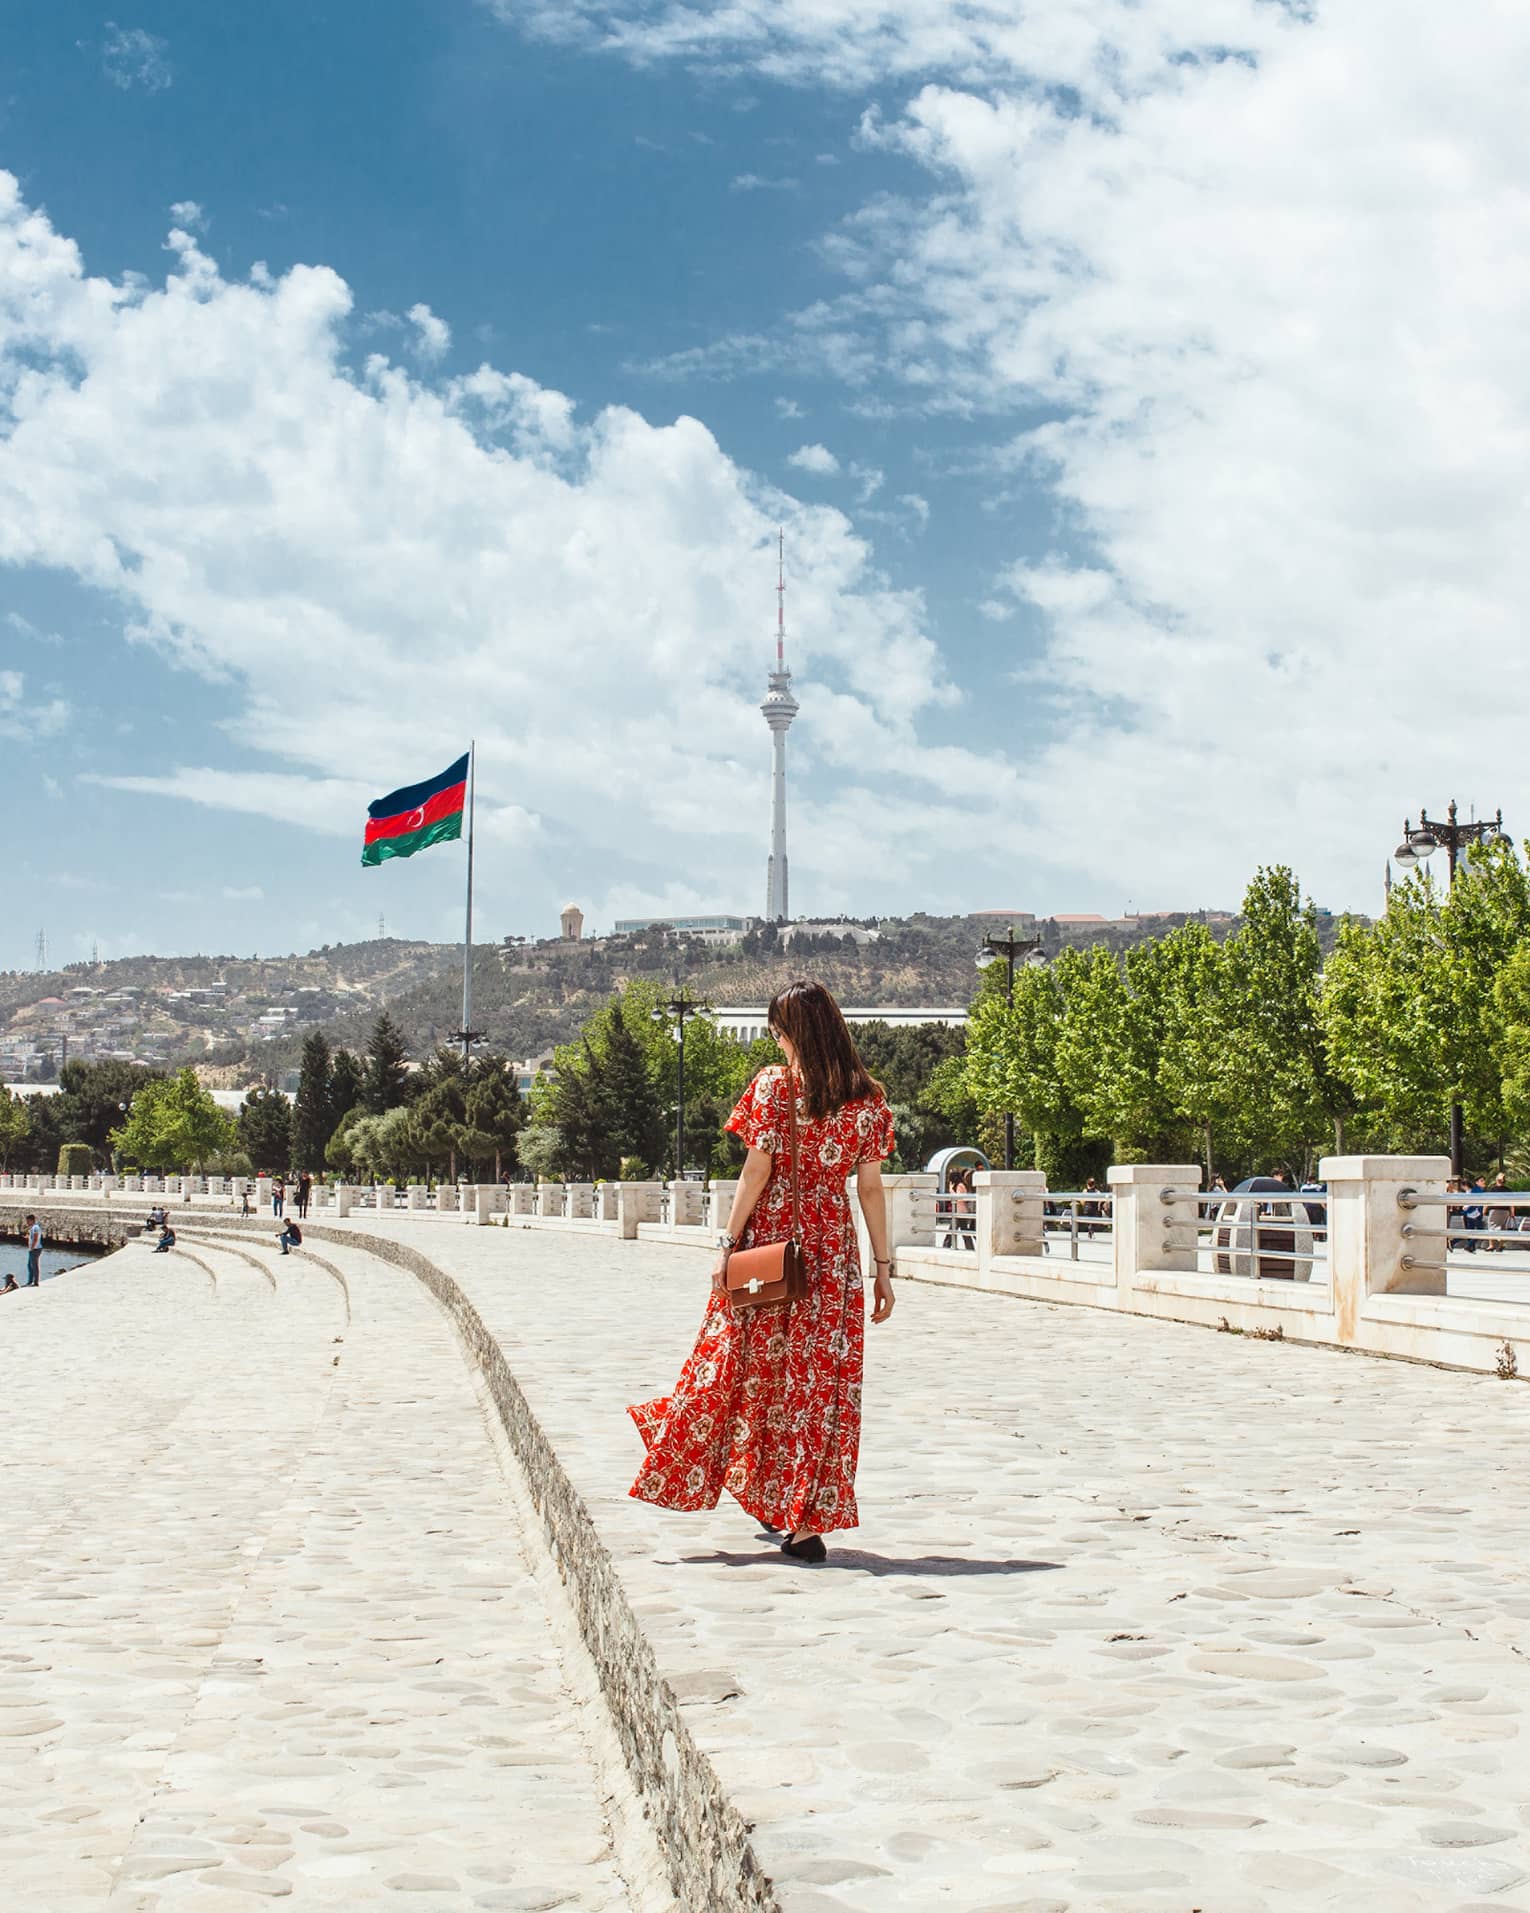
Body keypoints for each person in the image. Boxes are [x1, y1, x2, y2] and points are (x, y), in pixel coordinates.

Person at [628, 979, 896, 1565]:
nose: (775, 1039)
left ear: (794, 1032)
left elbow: (755, 1173)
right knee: (819, 1389)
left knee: (736, 1365)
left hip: (767, 1255)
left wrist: (726, 1244)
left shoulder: (775, 1087)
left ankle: (703, 1455)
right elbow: (871, 1191)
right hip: (832, 1260)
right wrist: (883, 1267)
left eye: (778, 1028)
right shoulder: (869, 1099)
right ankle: (802, 1519)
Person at [24, 1214, 42, 1286]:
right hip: (33, 1249)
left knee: (34, 1265)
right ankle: (30, 1281)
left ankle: (35, 1282)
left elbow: (35, 1238)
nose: (27, 1222)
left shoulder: (35, 1228)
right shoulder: (33, 1227)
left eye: (28, 1221)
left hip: (35, 1249)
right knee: (30, 1265)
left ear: (32, 1220)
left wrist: (32, 1247)